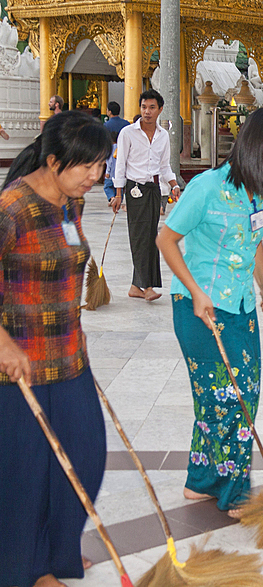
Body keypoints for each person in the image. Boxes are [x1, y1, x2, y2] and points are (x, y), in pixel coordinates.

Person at [156, 108, 263, 517]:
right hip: (200, 308)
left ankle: (202, 481)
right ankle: (234, 491)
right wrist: (195, 292)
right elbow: (167, 240)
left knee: (238, 394)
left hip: (241, 305)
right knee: (228, 399)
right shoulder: (206, 187)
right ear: (248, 145)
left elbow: (254, 240)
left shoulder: (259, 191)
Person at [0, 111, 112, 587]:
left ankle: (58, 549)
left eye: (102, 166)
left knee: (85, 456)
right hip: (18, 364)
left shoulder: (72, 202)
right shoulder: (12, 208)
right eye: (88, 166)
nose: (97, 176)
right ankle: (26, 567)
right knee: (26, 474)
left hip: (68, 355)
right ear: (52, 160)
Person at [111, 90, 179, 302]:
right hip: (135, 189)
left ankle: (135, 286)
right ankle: (147, 286)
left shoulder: (163, 136)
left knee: (150, 238)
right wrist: (118, 194)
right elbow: (119, 164)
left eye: (151, 108)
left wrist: (174, 184)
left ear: (159, 109)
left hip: (153, 190)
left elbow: (164, 165)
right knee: (140, 238)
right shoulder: (128, 133)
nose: (147, 112)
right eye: (143, 107)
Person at [102, 102, 128, 204]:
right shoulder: (126, 124)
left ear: (110, 111)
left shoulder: (106, 125)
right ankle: (119, 197)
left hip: (111, 154)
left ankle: (112, 198)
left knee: (109, 182)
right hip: (124, 153)